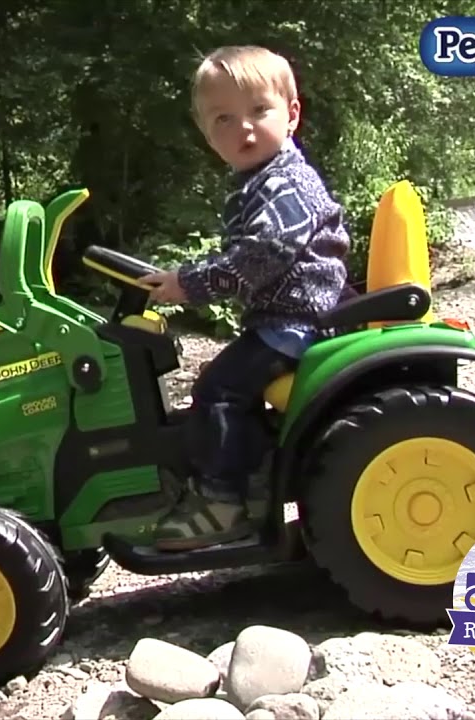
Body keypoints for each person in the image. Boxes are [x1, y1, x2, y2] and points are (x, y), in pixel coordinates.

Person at [139, 45, 351, 551]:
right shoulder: (256, 183)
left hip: (299, 320)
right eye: (224, 119)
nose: (244, 129)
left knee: (218, 390)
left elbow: (260, 255)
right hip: (284, 317)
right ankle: (250, 476)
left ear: (292, 113)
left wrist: (187, 284)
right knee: (225, 383)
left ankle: (221, 502)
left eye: (259, 111)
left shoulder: (284, 183)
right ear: (207, 134)